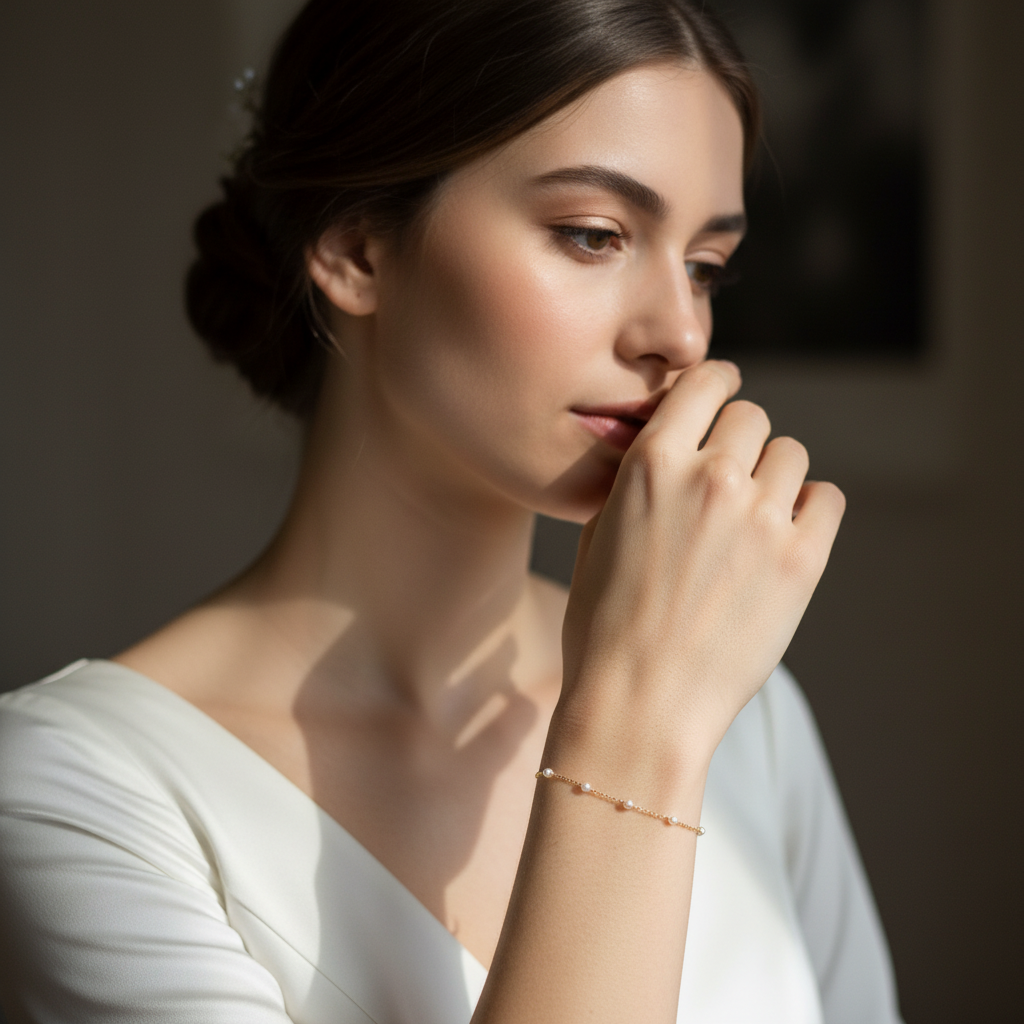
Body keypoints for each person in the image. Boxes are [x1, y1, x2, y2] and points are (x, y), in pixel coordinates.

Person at [0, 1, 904, 1021]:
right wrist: (630, 736)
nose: (681, 334)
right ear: (355, 249)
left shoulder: (747, 713)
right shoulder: (82, 794)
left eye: (702, 265)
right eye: (594, 235)